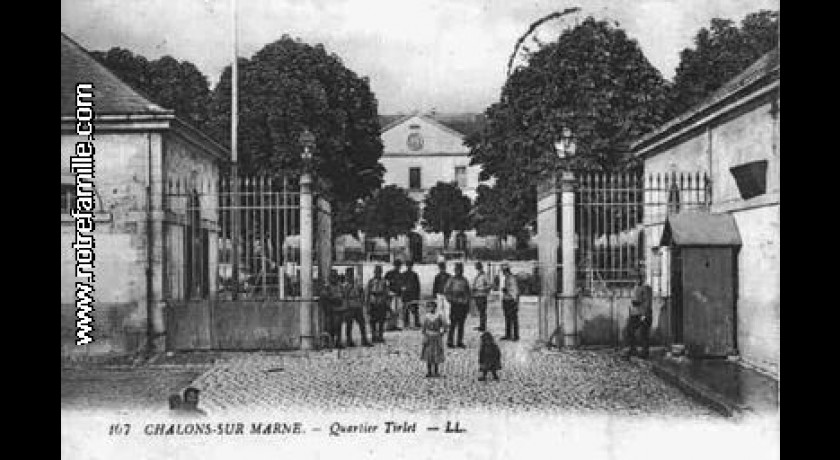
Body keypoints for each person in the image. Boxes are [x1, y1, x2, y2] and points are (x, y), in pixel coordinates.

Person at [624, 271, 653, 359]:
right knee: (630, 330)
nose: (636, 280)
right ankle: (633, 349)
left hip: (643, 314)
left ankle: (645, 353)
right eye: (635, 278)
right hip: (635, 313)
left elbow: (647, 302)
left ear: (643, 278)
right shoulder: (636, 287)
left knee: (644, 334)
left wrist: (644, 315)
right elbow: (634, 300)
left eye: (639, 278)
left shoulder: (647, 288)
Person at [342, 268, 373, 347]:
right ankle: (349, 340)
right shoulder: (345, 286)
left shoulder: (357, 285)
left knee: (362, 324)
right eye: (349, 275)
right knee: (349, 325)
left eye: (351, 275)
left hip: (357, 306)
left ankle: (364, 339)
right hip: (349, 307)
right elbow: (344, 296)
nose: (350, 277)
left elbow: (362, 293)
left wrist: (362, 302)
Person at [444, 262, 471, 348]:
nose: (459, 271)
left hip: (463, 305)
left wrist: (466, 301)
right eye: (457, 270)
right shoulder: (451, 280)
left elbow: (468, 292)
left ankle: (460, 341)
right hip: (454, 304)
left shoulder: (464, 280)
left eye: (460, 270)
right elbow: (446, 291)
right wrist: (451, 299)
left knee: (461, 324)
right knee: (453, 324)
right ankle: (450, 341)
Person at [420, 300, 448, 378]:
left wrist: (441, 333)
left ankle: (436, 371)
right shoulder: (426, 317)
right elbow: (423, 328)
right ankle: (429, 371)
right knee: (428, 355)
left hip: (436, 337)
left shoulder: (439, 316)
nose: (431, 309)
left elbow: (444, 326)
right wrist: (425, 336)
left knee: (436, 354)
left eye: (432, 307)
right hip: (429, 337)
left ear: (435, 307)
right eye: (429, 307)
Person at [320, 270, 347, 349]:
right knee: (330, 328)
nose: (334, 278)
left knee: (338, 327)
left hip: (339, 309)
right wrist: (333, 299)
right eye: (332, 276)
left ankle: (338, 342)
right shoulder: (327, 287)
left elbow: (344, 295)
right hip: (331, 310)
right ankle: (330, 343)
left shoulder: (340, 286)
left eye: (335, 276)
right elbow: (323, 296)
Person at [496, 263, 520, 341]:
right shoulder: (507, 278)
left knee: (513, 318)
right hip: (506, 300)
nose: (503, 272)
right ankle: (508, 334)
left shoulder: (511, 278)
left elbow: (514, 290)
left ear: (507, 271)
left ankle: (515, 336)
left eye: (503, 271)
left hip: (511, 300)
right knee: (508, 318)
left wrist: (507, 291)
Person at [366, 265, 390, 343]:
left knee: (381, 320)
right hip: (373, 302)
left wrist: (387, 303)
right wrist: (367, 304)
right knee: (373, 321)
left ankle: (380, 335)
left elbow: (386, 292)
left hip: (381, 302)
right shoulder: (371, 281)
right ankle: (373, 335)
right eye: (376, 272)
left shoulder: (384, 281)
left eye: (379, 272)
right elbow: (368, 293)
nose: (378, 273)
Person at [401, 261, 421, 329]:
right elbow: (401, 284)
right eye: (408, 265)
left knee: (415, 310)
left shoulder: (415, 275)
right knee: (406, 310)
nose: (409, 267)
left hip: (413, 294)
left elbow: (417, 285)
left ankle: (416, 323)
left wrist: (417, 295)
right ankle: (406, 323)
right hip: (406, 295)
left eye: (410, 266)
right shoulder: (403, 274)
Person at [384, 260, 404, 331]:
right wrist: (388, 292)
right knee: (390, 310)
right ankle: (389, 326)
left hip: (398, 295)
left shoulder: (401, 275)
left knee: (397, 311)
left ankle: (394, 325)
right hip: (390, 295)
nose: (398, 267)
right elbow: (385, 284)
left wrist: (402, 290)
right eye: (396, 265)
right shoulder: (389, 274)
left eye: (399, 266)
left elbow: (402, 285)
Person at [472, 262, 491, 332]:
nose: (476, 268)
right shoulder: (477, 275)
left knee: (482, 312)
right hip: (477, 295)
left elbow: (489, 286)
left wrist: (480, 289)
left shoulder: (484, 275)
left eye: (477, 266)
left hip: (482, 295)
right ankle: (481, 325)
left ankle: (483, 326)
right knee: (480, 312)